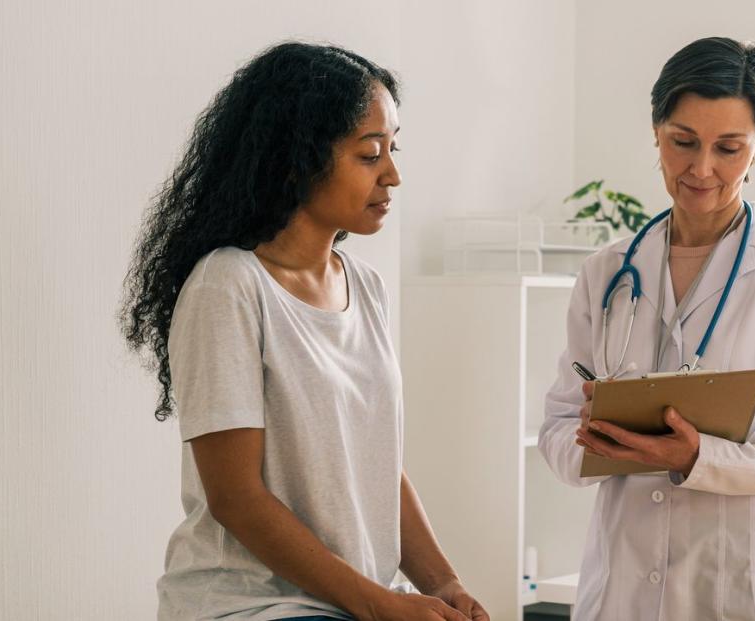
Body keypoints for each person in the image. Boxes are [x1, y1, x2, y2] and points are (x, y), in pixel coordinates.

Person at [120, 42, 488, 621]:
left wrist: (442, 585)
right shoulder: (229, 286)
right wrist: (378, 605)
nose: (393, 174)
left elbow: (376, 467)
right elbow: (235, 499)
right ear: (296, 160)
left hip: (354, 601)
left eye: (393, 149)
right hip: (255, 605)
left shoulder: (366, 288)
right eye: (370, 155)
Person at [538, 37, 755, 620]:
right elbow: (557, 427)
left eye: (729, 148)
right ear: (656, 131)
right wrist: (590, 439)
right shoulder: (608, 273)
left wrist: (697, 456)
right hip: (629, 583)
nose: (701, 169)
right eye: (683, 142)